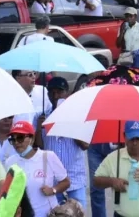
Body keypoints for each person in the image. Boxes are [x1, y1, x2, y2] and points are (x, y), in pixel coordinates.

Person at [36, 78, 89, 209]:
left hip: (75, 180)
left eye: (59, 92)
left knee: (79, 213)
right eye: (52, 92)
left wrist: (69, 123)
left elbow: (85, 145)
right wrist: (39, 128)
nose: (55, 96)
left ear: (67, 93)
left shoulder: (78, 116)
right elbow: (39, 147)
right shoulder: (42, 117)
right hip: (53, 181)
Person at [5, 121, 71, 217]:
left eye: (20, 138)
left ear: (32, 139)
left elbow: (66, 182)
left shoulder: (48, 156)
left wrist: (53, 190)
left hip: (48, 214)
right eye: (12, 139)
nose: (16, 143)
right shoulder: (10, 162)